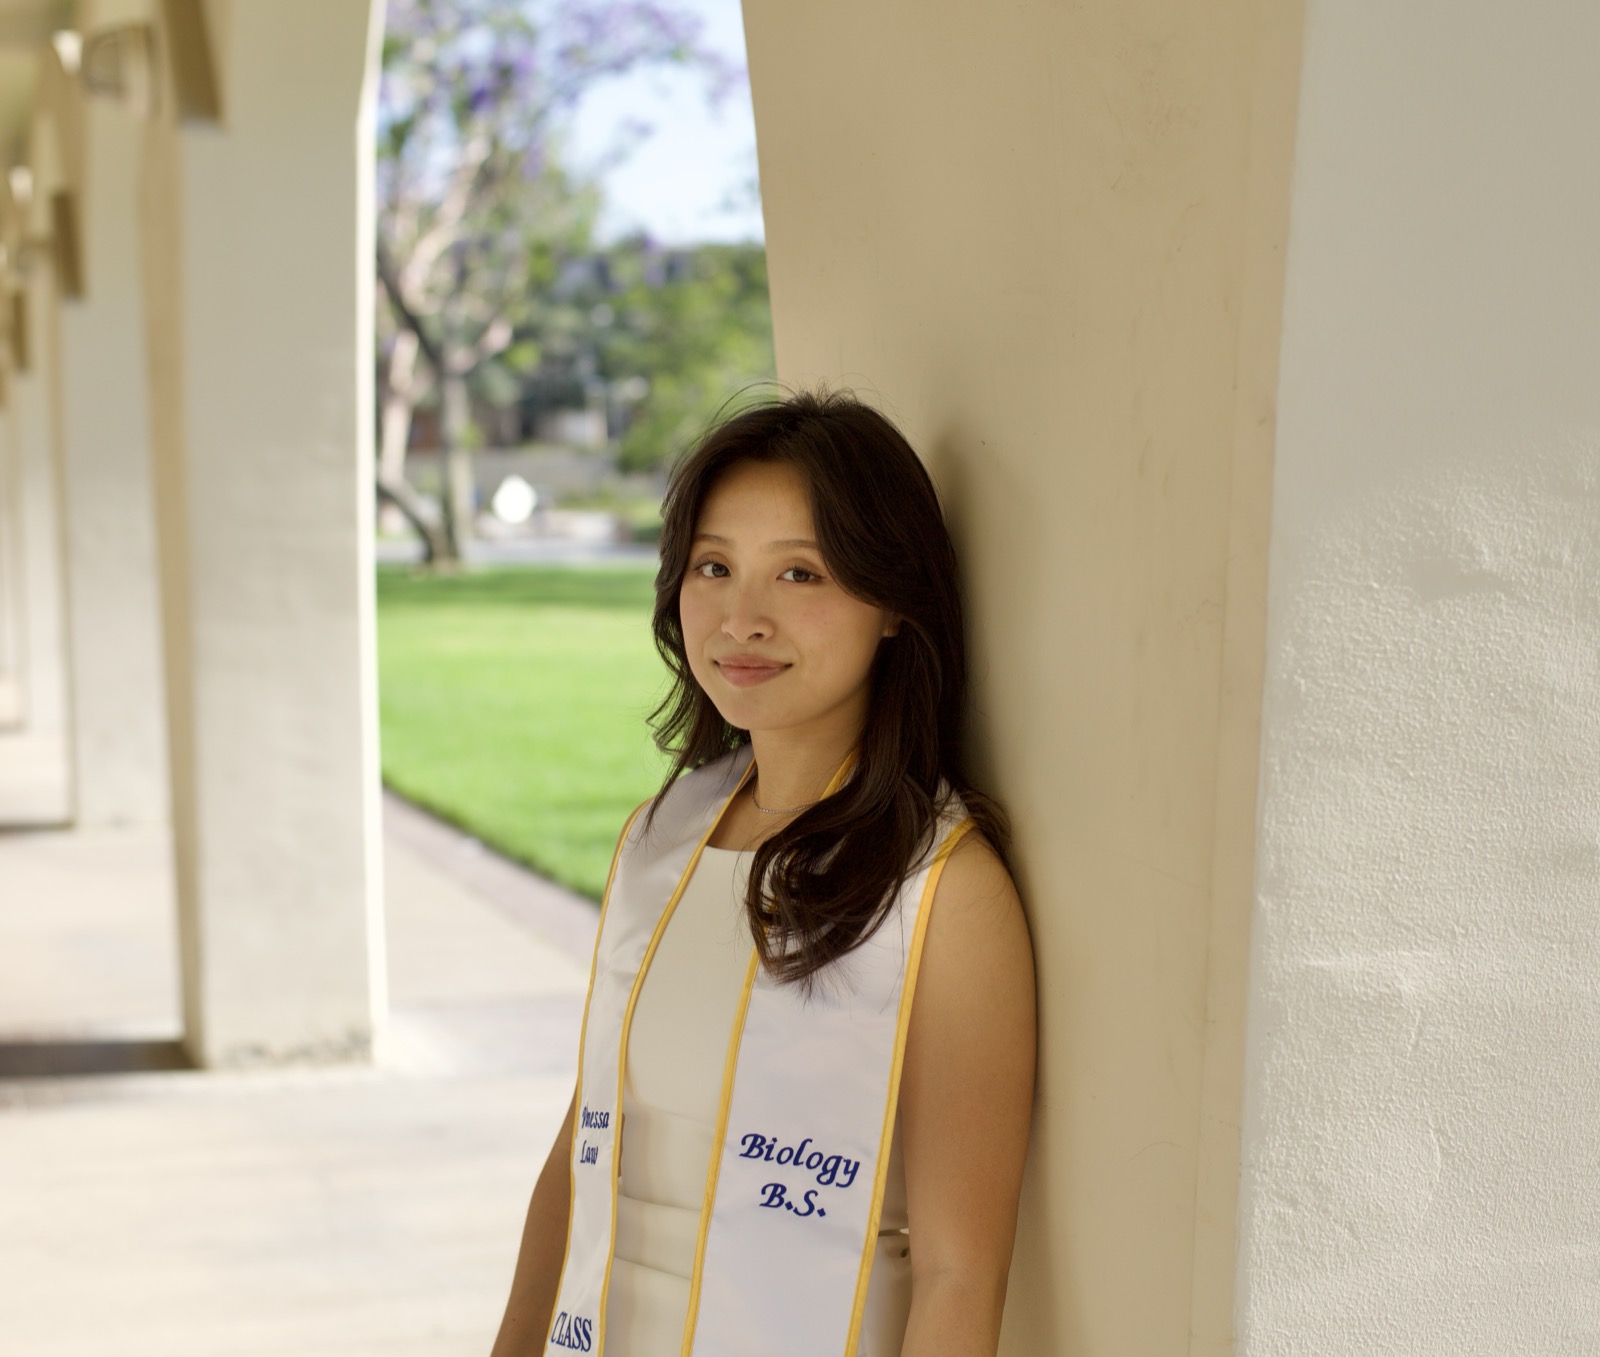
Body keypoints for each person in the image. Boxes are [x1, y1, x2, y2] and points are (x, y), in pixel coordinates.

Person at [490, 390, 1035, 1357]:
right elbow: (581, 1151)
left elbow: (959, 1276)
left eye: (800, 573)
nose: (743, 616)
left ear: (895, 606)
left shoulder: (942, 891)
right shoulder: (663, 839)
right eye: (715, 566)